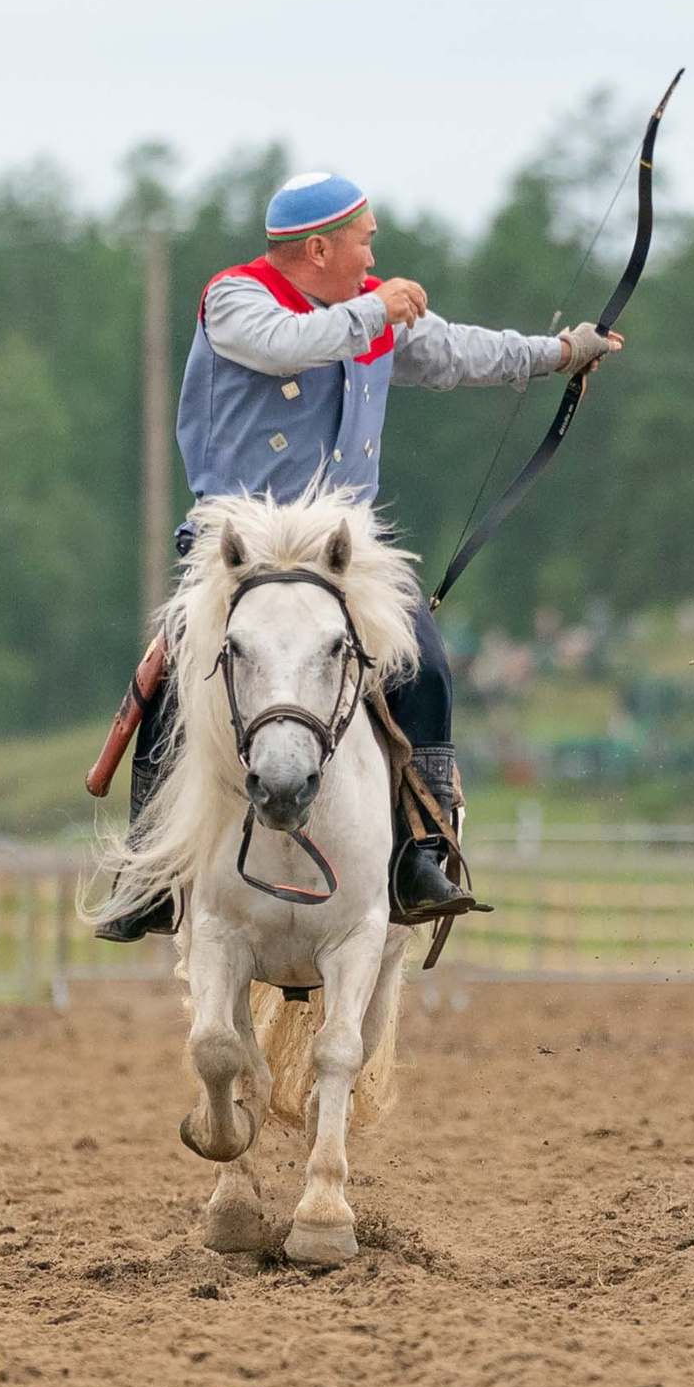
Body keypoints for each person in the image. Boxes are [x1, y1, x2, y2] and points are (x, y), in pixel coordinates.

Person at [99, 172, 623, 941]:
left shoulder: (365, 310)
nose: (374, 249)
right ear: (318, 247)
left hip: (342, 549)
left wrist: (559, 353)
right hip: (242, 545)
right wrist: (375, 307)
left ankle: (418, 851)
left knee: (428, 669)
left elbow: (454, 352)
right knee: (177, 679)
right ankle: (149, 871)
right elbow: (290, 346)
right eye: (364, 236)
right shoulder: (238, 299)